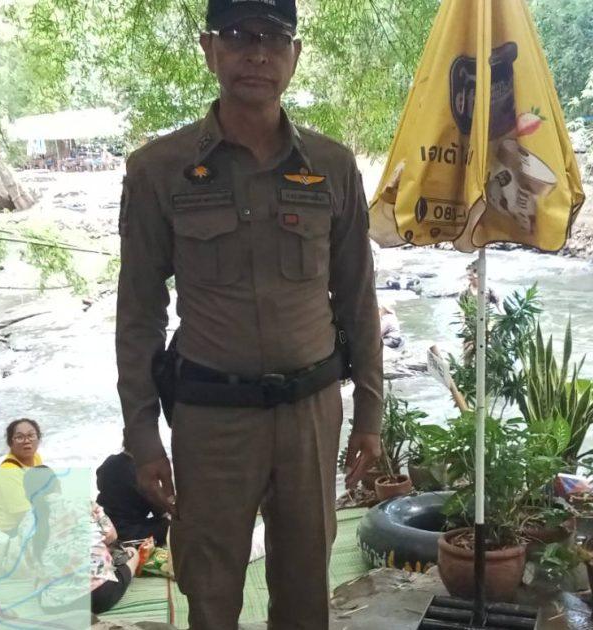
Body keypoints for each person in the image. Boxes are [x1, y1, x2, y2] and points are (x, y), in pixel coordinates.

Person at [114, 1, 383, 627]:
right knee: (210, 592)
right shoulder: (159, 170)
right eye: (238, 36)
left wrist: (370, 413)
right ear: (210, 50)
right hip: (212, 423)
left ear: (295, 55)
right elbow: (139, 315)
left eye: (273, 38)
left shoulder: (332, 166)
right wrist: (142, 435)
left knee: (305, 592)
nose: (256, 53)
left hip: (310, 416)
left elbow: (358, 297)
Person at [20, 466, 141, 615]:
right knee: (132, 553)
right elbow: (112, 536)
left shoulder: (25, 524)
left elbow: (31, 566)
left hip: (54, 605)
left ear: (27, 494)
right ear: (58, 484)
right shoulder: (84, 503)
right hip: (98, 596)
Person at [96, 444, 169, 547]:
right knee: (171, 525)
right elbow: (160, 511)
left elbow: (100, 485)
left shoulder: (110, 461)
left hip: (104, 525)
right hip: (128, 533)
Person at [0, 419, 44, 534]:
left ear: (38, 438)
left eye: (31, 435)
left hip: (23, 520)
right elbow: (24, 514)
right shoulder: (9, 471)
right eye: (19, 437)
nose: (27, 441)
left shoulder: (36, 457)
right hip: (2, 531)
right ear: (10, 443)